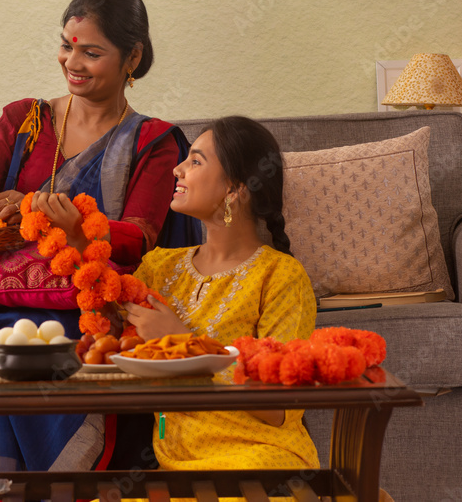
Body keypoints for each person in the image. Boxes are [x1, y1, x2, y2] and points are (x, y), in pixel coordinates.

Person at [0, 0, 202, 472]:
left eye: (91, 52)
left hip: (86, 298)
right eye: (67, 45)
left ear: (132, 58)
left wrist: (41, 209)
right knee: (7, 341)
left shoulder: (155, 141)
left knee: (38, 344)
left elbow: (137, 239)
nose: (72, 62)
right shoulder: (24, 118)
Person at [124, 116, 319, 474]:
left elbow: (278, 408)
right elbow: (103, 313)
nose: (177, 170)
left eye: (195, 161)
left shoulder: (281, 277)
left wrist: (183, 342)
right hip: (175, 465)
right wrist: (76, 241)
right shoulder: (158, 268)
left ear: (235, 190)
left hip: (261, 460)